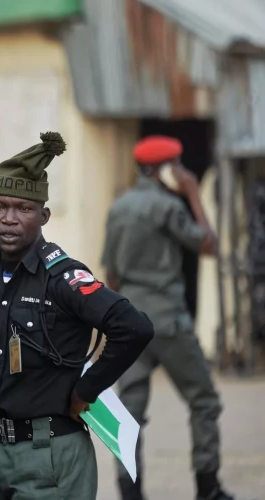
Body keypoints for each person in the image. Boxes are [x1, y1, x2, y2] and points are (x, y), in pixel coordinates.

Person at [0, 132, 154, 499]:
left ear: (43, 216)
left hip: (50, 454)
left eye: (23, 209)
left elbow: (133, 327)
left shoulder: (63, 277)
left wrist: (86, 391)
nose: (9, 219)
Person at [103, 135, 236, 500]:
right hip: (168, 320)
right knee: (204, 399)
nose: (182, 172)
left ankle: (131, 494)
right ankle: (208, 488)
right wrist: (193, 192)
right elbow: (207, 244)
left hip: (130, 322)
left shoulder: (120, 207)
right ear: (165, 170)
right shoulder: (168, 205)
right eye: (177, 165)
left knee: (128, 416)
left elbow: (111, 274)